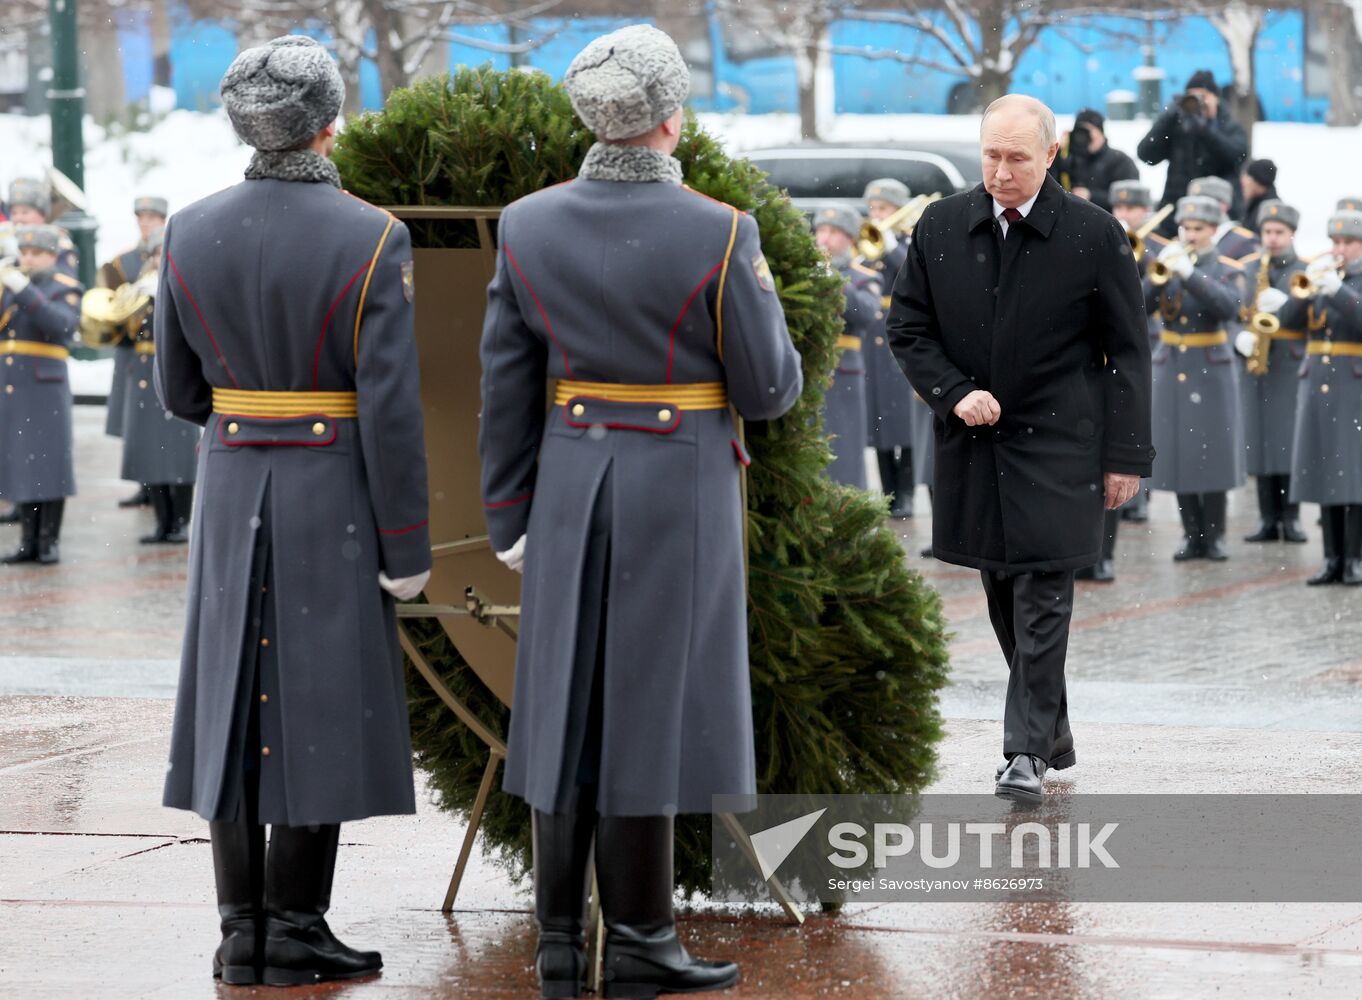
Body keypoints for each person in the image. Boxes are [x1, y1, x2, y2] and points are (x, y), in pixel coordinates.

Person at [478, 25, 802, 998]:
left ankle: (560, 946)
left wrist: (511, 517)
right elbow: (771, 386)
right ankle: (644, 938)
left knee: (561, 707)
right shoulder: (720, 229)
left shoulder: (528, 223)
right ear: (671, 115)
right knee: (649, 709)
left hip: (572, 478)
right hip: (679, 483)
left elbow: (504, 387)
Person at [156, 36, 431, 986]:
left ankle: (242, 928)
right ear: (328, 124)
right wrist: (408, 543)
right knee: (322, 700)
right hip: (334, 488)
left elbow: (179, 391)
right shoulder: (371, 234)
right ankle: (298, 921)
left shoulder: (188, 228)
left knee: (230, 696)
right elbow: (391, 408)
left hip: (234, 478)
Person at [886, 95, 1152, 804]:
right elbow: (908, 327)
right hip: (974, 443)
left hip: (1065, 443)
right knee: (1003, 590)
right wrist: (951, 392)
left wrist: (1126, 456)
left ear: (1051, 155)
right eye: (991, 156)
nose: (1001, 172)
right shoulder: (941, 225)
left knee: (1043, 592)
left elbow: (1129, 351)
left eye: (1017, 158)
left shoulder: (1093, 234)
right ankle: (1052, 730)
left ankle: (1025, 752)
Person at [1145, 195, 1247, 561]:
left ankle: (1215, 534)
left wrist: (1190, 276)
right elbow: (1139, 306)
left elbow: (1230, 308)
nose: (1190, 235)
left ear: (1213, 231)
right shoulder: (1168, 263)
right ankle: (1191, 533)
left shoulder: (1225, 267)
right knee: (1178, 452)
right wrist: (1160, 277)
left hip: (1211, 366)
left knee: (1213, 452)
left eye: (1198, 229)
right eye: (1186, 228)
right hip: (1172, 363)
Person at [1288, 210, 1362, 585]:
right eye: (1336, 242)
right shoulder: (1324, 278)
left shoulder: (1348, 284)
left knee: (1354, 474)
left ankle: (1355, 558)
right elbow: (1289, 321)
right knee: (1325, 471)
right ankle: (1331, 557)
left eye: (1349, 243)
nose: (1340, 249)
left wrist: (1338, 291)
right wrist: (1296, 296)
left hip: (1354, 385)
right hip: (1317, 382)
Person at [0, 224, 80, 564]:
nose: (28, 259)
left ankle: (49, 541)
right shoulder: (10, 286)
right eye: (25, 253)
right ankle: (28, 541)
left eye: (36, 254)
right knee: (21, 462)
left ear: (52, 256)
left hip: (45, 386)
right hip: (13, 383)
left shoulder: (64, 287)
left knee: (49, 463)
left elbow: (62, 326)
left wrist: (25, 292)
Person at [1234, 200, 1309, 544]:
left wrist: (1290, 304)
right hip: (1257, 363)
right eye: (1267, 231)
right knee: (1261, 442)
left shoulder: (1304, 270)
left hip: (1290, 363)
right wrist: (1241, 339)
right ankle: (1267, 519)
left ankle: (1291, 519)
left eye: (1279, 232)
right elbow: (1235, 313)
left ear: (1292, 234)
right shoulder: (1249, 268)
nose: (1273, 238)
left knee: (1287, 442)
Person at [117, 233, 198, 543]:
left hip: (172, 368)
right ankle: (162, 522)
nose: (157, 258)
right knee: (151, 453)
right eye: (154, 254)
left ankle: (179, 522)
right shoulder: (141, 288)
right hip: (143, 374)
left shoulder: (184, 284)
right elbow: (123, 336)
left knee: (177, 457)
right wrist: (130, 303)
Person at [101, 194, 169, 510]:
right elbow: (110, 300)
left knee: (160, 425)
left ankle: (159, 488)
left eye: (152, 218)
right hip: (132, 347)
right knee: (137, 423)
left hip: (158, 347)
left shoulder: (170, 252)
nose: (146, 223)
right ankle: (145, 485)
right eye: (141, 218)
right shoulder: (124, 260)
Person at [860, 178, 918, 516]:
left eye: (882, 208)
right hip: (873, 334)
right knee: (879, 416)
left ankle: (907, 492)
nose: (876, 214)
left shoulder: (910, 240)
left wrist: (891, 245)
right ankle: (888, 492)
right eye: (873, 208)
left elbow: (911, 273)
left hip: (901, 329)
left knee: (903, 418)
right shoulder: (866, 239)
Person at [1110, 179, 1165, 526]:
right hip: (1117, 337)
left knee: (1144, 419)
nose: (1125, 214)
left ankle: (1143, 497)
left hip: (1152, 338)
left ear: (1146, 211)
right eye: (1119, 208)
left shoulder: (1159, 248)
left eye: (1132, 208)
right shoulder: (1109, 238)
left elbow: (1148, 301)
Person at [1137, 70, 1248, 236]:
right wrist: (1167, 118)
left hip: (1217, 216)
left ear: (1216, 98)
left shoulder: (1230, 127)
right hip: (1176, 213)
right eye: (1191, 97)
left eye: (1203, 96)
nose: (1197, 102)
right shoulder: (1178, 127)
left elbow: (1236, 156)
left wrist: (1205, 129)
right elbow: (1146, 155)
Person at [813, 204, 875, 489]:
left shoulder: (863, 276)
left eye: (834, 232)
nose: (824, 239)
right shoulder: (803, 273)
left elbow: (865, 313)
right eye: (821, 230)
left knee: (845, 451)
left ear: (850, 239)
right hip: (809, 369)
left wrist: (833, 279)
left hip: (843, 373)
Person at [1048, 108, 1139, 214]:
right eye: (1080, 132)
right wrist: (1058, 152)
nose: (1084, 137)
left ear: (1101, 133)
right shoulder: (1066, 158)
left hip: (1107, 221)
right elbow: (1047, 186)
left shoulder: (1120, 160)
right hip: (1070, 221)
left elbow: (1130, 197)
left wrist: (1091, 196)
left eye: (1089, 131)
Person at [7, 178, 80, 277]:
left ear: (42, 215)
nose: (18, 218)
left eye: (25, 212)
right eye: (14, 213)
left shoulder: (60, 241)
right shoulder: (8, 238)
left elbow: (65, 279)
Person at [1187, 175, 1259, 260]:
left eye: (1205, 204)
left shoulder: (1244, 241)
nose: (1197, 209)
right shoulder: (1184, 238)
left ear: (1224, 205)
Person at [1240, 159, 1278, 233]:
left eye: (1247, 176)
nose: (1243, 181)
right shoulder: (1255, 205)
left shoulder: (1271, 211)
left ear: (1257, 180)